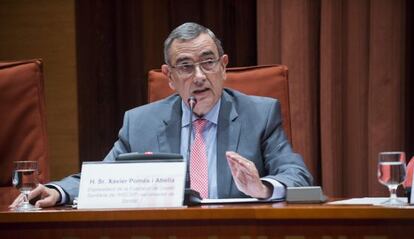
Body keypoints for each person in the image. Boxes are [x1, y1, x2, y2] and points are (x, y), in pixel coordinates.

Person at [11, 22, 313, 208]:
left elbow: (298, 177)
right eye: (185, 67)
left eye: (208, 63)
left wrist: (262, 187)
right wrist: (57, 190)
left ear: (223, 66)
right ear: (169, 77)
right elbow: (102, 178)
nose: (199, 77)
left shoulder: (259, 114)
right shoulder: (141, 122)